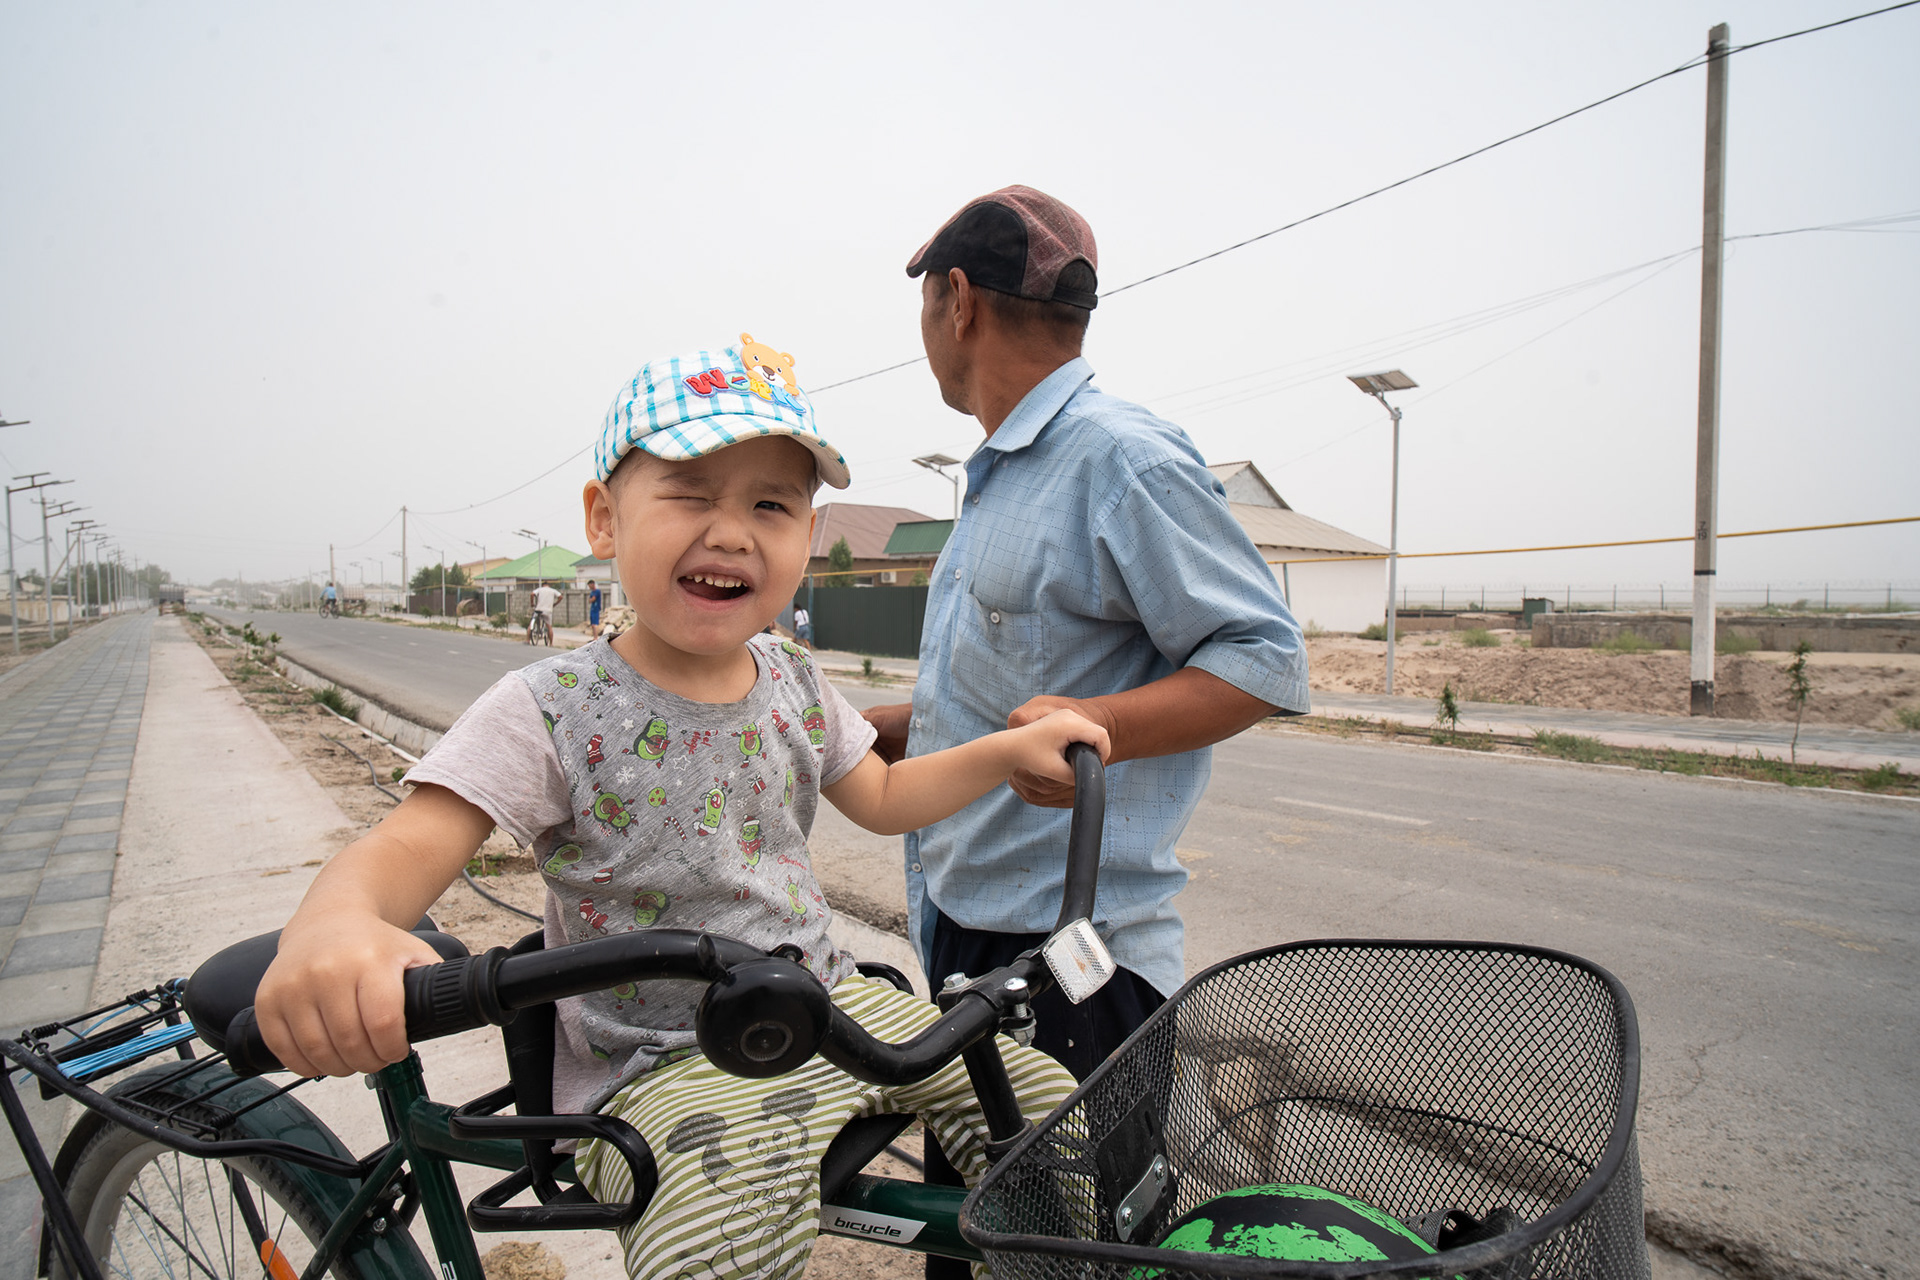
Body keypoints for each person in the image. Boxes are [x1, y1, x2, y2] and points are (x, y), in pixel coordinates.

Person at [255, 338, 1103, 1280]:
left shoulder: (792, 677)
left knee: (1047, 1108)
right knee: (713, 1252)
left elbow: (890, 796)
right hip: (668, 1060)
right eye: (692, 494)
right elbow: (408, 843)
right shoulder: (551, 707)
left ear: (805, 540)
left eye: (771, 505)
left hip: (824, 1001)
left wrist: (1003, 753)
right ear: (605, 520)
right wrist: (333, 925)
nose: (734, 532)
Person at [867, 185, 1311, 1080]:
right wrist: (832, 730)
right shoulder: (1003, 476)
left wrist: (1097, 726)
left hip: (1075, 965)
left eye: (925, 303)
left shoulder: (1120, 458)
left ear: (959, 302)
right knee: (981, 1215)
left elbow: (1267, 659)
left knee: (1074, 1220)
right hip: (973, 927)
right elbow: (1006, 701)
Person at [529, 579, 561, 644]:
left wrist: (532, 603)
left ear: (543, 585)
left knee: (531, 623)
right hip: (548, 610)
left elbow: (532, 594)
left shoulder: (539, 589)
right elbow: (560, 596)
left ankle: (527, 640)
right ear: (548, 585)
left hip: (538, 609)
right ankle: (551, 643)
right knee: (549, 626)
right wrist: (555, 603)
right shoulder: (552, 590)